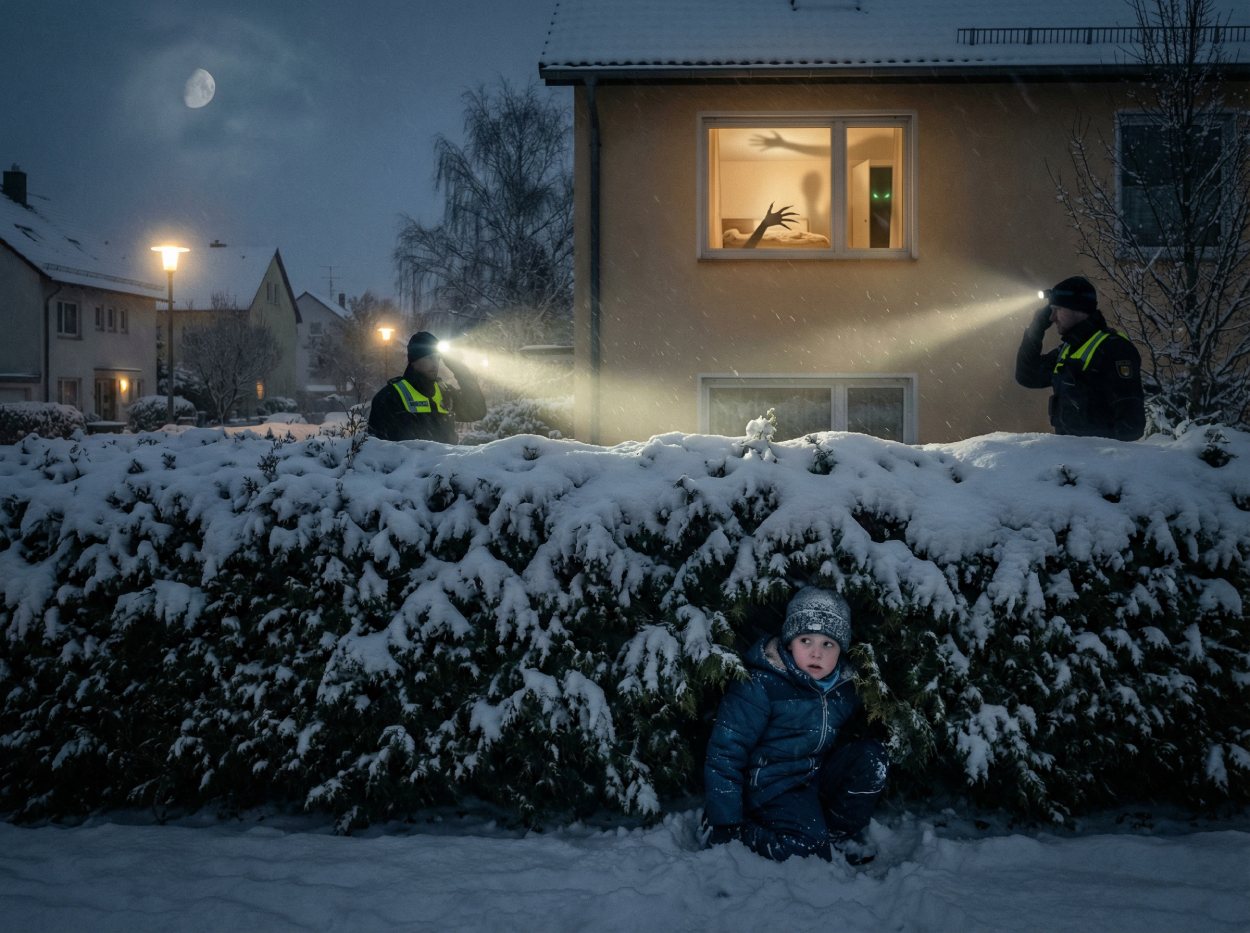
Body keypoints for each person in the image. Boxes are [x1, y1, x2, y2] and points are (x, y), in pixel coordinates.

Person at [703, 587, 889, 864]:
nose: (816, 653)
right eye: (806, 640)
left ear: (841, 649)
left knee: (871, 759)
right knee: (808, 850)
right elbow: (726, 752)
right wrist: (724, 822)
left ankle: (835, 834)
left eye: (828, 644)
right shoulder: (761, 684)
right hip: (771, 787)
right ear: (790, 642)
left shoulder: (844, 688)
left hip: (813, 778)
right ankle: (743, 833)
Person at [1015, 276, 1146, 441]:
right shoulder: (1068, 349)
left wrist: (1101, 454)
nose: (1052, 317)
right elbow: (1027, 376)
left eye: (1057, 309)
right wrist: (1036, 328)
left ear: (1077, 309)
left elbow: (1131, 425)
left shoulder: (1115, 349)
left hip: (1096, 456)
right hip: (1070, 455)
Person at [367, 331, 487, 442]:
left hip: (445, 459)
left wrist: (460, 369)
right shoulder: (390, 397)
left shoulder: (445, 392)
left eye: (437, 358)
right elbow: (377, 447)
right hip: (410, 459)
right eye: (429, 358)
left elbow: (477, 411)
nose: (435, 364)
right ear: (414, 361)